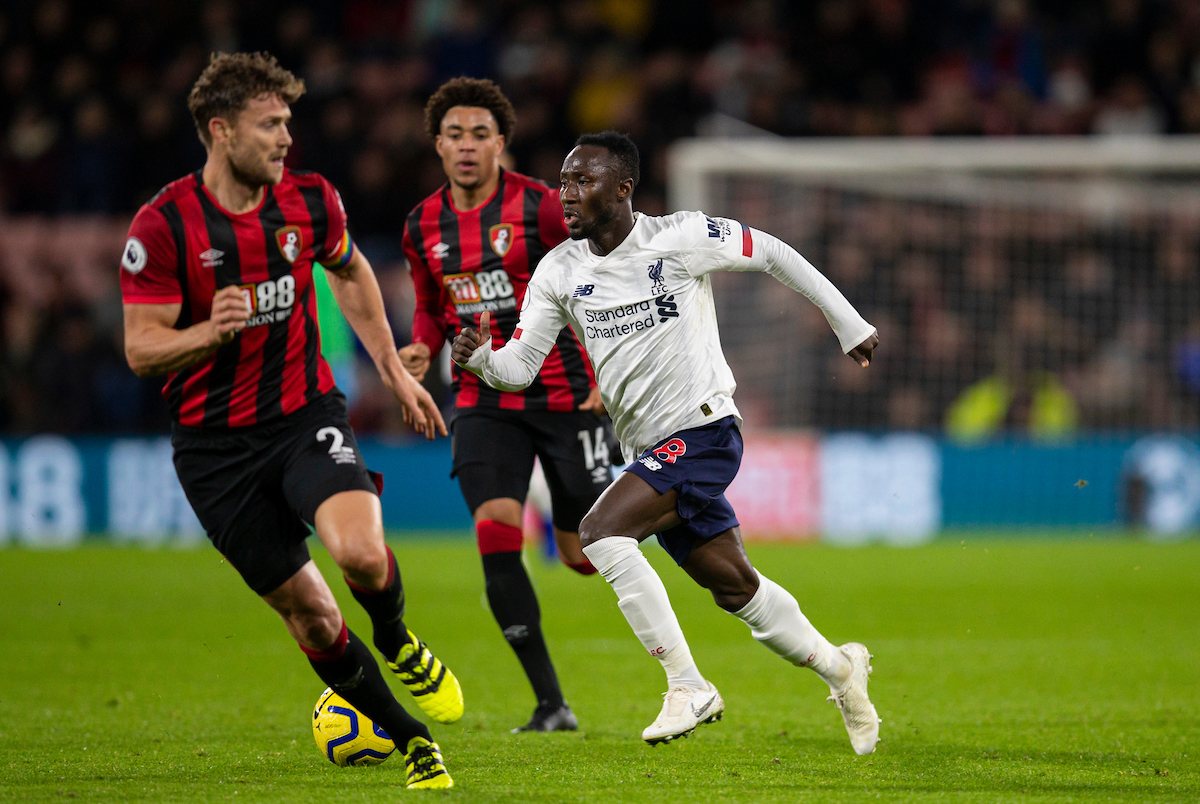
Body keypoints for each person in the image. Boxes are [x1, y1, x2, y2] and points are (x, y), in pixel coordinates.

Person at [451, 131, 883, 753]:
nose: (566, 194)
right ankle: (842, 669)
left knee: (600, 532)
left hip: (704, 431)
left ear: (623, 189)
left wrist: (849, 323)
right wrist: (483, 359)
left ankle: (688, 686)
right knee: (737, 588)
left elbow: (773, 253)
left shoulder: (676, 238)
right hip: (650, 452)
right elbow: (520, 367)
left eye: (583, 181)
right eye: (563, 182)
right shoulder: (558, 270)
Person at [120, 52, 458, 789]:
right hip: (213, 451)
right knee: (310, 615)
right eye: (269, 124)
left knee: (362, 555)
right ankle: (413, 739)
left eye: (287, 123)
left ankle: (398, 638)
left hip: (304, 412)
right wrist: (207, 332)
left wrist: (394, 369)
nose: (284, 138)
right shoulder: (166, 224)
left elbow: (349, 271)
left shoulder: (310, 200)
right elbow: (142, 349)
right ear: (219, 130)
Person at [400, 77, 616, 733]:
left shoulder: (546, 209)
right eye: (455, 135)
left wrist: (609, 366)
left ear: (502, 144)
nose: (467, 147)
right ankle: (551, 703)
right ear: (438, 144)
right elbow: (434, 307)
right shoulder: (422, 226)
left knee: (585, 556)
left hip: (565, 394)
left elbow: (605, 275)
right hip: (482, 397)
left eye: (480, 135)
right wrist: (418, 347)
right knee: (496, 528)